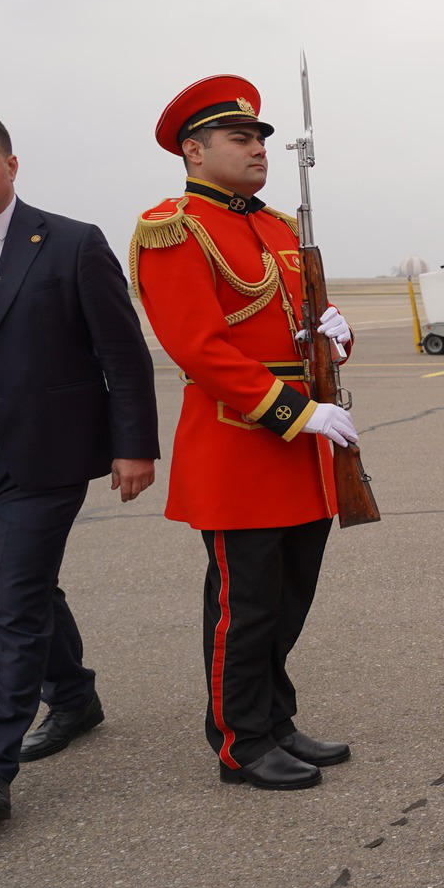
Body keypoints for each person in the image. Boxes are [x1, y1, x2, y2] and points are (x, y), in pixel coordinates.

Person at [0, 109, 160, 822]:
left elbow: (122, 353)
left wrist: (134, 444)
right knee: (17, 589)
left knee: (11, 606)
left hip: (44, 458)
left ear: (10, 165)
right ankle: (74, 696)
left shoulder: (70, 242)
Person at [130, 76, 358, 792]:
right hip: (241, 444)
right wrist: (295, 411)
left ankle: (276, 719)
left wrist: (336, 334)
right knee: (246, 606)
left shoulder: (280, 227)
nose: (258, 148)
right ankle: (241, 741)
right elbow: (199, 348)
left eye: (259, 137)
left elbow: (304, 322)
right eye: (240, 138)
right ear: (194, 151)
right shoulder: (174, 228)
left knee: (289, 598)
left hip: (303, 449)